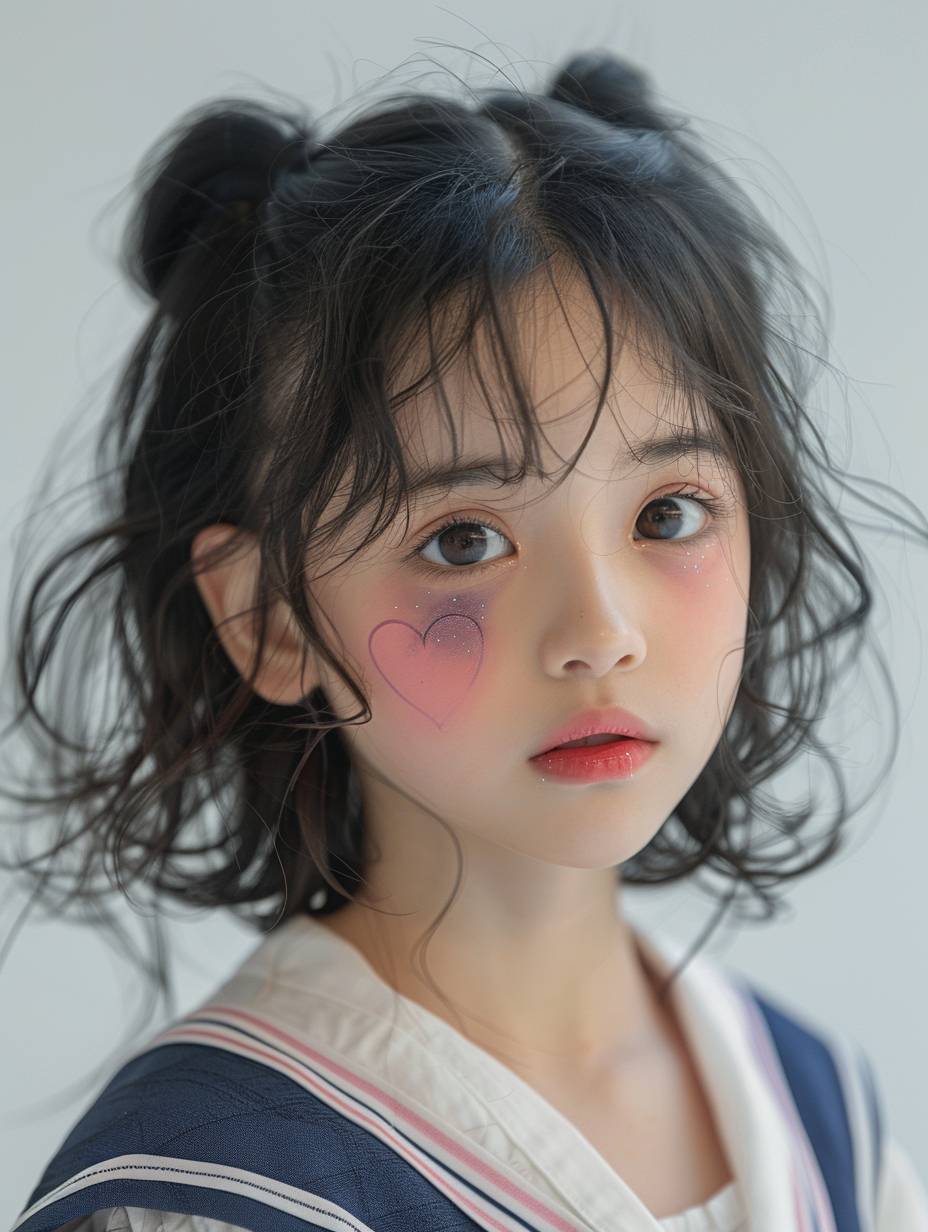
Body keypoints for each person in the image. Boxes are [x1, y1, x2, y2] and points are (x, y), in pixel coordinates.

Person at [4, 47, 927, 1232]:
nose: (599, 631)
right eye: (462, 541)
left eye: (668, 514)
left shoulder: (824, 1121)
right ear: (270, 617)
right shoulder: (212, 1191)